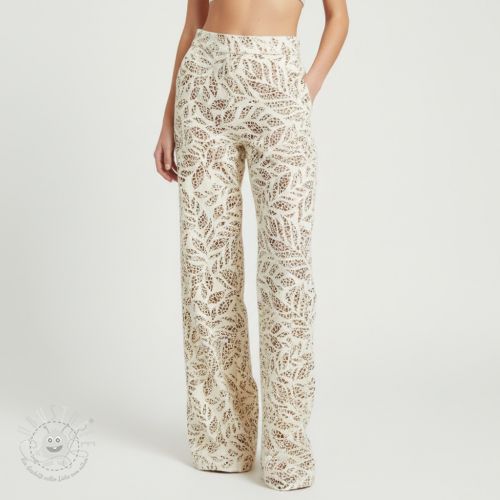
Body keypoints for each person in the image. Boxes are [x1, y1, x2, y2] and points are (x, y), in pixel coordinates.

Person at [154, 0, 349, 491]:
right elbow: (193, 22)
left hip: (278, 87)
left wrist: (307, 86)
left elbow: (338, 17)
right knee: (207, 273)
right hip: (205, 90)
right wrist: (168, 117)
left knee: (287, 275)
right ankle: (223, 441)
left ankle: (287, 450)